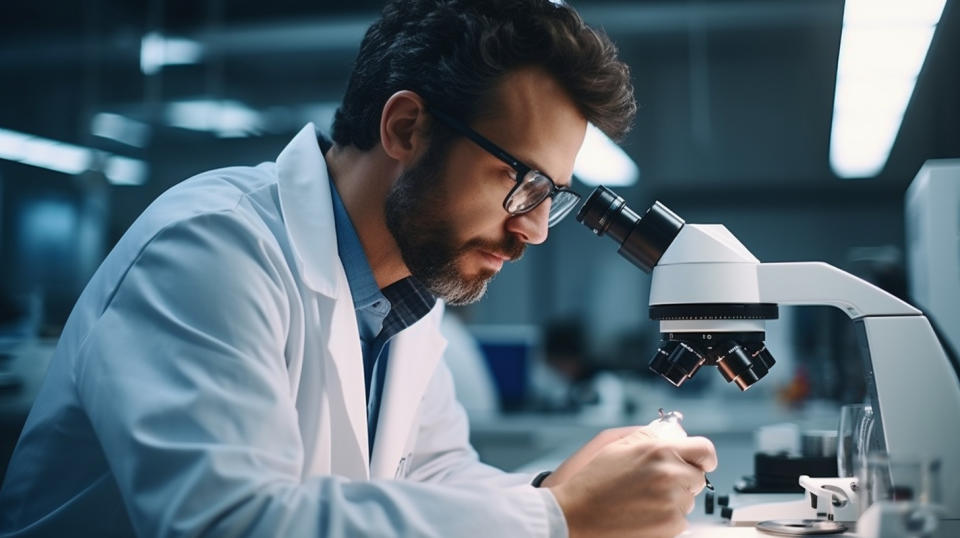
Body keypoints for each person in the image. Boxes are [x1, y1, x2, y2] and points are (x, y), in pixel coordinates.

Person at [0, 1, 717, 536]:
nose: (531, 229)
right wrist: (556, 518)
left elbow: (435, 477)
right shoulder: (209, 248)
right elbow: (227, 522)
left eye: (550, 199)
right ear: (406, 127)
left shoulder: (404, 297)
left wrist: (556, 486)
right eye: (521, 181)